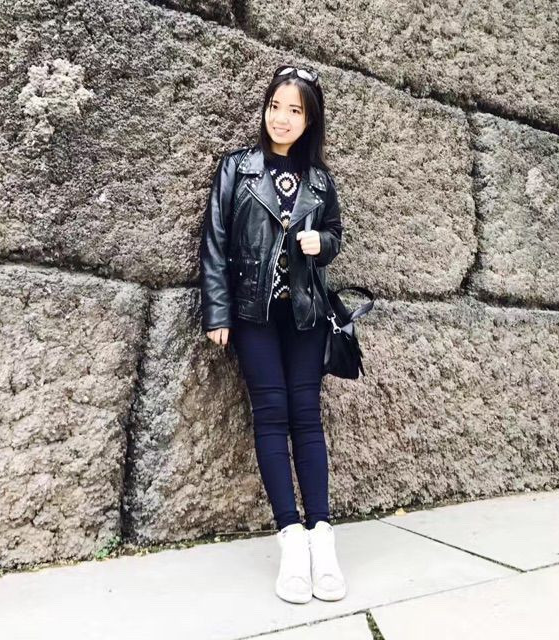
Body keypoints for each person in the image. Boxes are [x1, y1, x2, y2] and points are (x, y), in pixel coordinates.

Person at [199, 65, 346, 604]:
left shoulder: (320, 180)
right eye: (275, 106)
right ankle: (291, 538)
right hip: (252, 313)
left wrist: (322, 246)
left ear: (310, 120)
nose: (281, 118)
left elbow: (335, 234)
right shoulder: (237, 168)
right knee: (271, 414)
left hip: (306, 313)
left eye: (295, 110)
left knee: (306, 416)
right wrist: (218, 313)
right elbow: (215, 242)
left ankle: (322, 537)